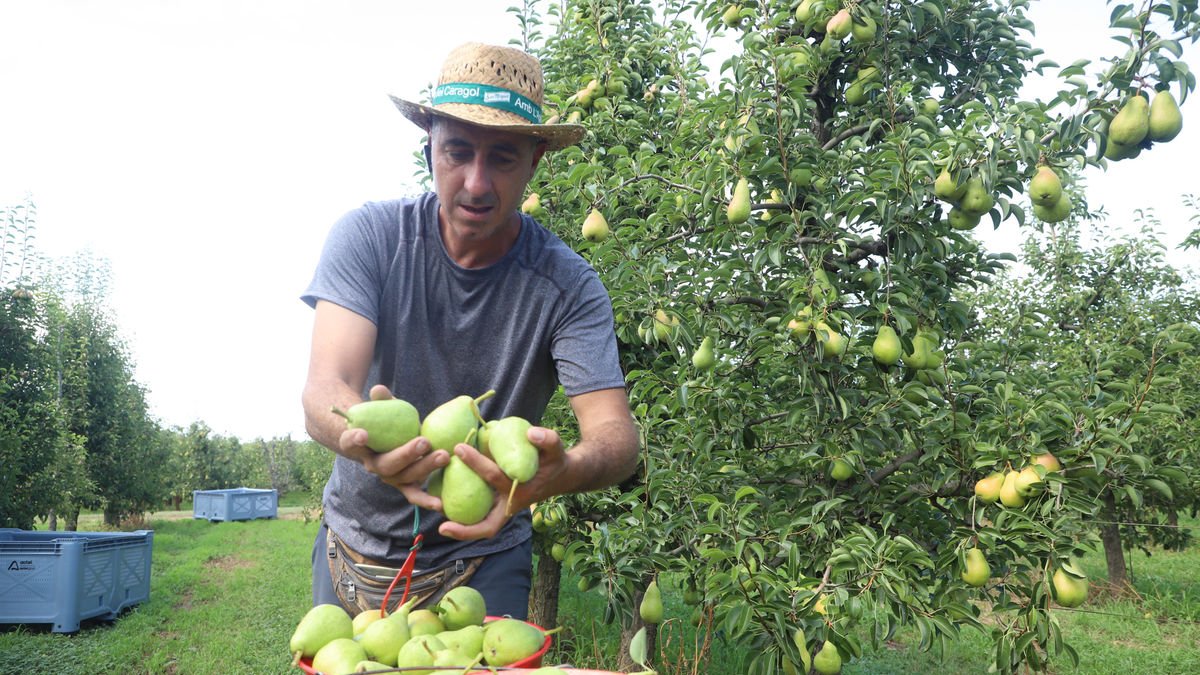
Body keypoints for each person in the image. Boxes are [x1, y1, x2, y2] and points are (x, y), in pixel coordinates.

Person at [299, 42, 640, 621]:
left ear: (534, 163)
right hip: (350, 553)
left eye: (503, 158)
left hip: (483, 560)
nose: (476, 183)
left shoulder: (568, 286)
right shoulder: (370, 239)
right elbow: (324, 391)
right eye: (457, 152)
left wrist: (562, 473)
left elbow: (616, 438)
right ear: (428, 142)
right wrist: (358, 438)